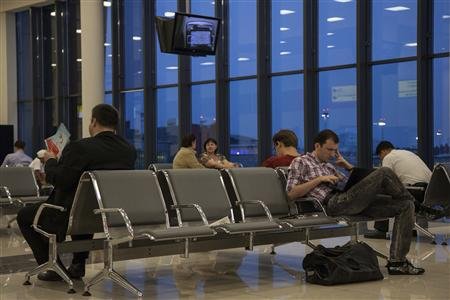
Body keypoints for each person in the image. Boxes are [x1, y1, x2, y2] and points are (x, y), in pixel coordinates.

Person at [17, 104, 136, 282]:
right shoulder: (128, 150)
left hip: (70, 215)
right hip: (107, 215)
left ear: (93, 122)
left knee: (25, 215)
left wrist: (50, 161)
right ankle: (78, 263)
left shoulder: (80, 147)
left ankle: (52, 267)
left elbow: (61, 180)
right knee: (83, 204)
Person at [286, 129, 424, 275]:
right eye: (329, 150)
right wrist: (319, 179)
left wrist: (347, 166)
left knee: (405, 206)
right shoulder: (300, 162)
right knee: (384, 171)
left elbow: (355, 186)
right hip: (333, 203)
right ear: (317, 146)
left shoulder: (329, 166)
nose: (332, 154)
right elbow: (291, 193)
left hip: (349, 199)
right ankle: (419, 206)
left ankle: (397, 262)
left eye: (335, 150)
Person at [367, 141, 433, 238]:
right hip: (429, 192)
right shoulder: (409, 153)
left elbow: (384, 179)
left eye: (380, 156)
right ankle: (407, 229)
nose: (381, 159)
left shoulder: (388, 157)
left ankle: (380, 230)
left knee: (381, 194)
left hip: (415, 191)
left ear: (384, 151)